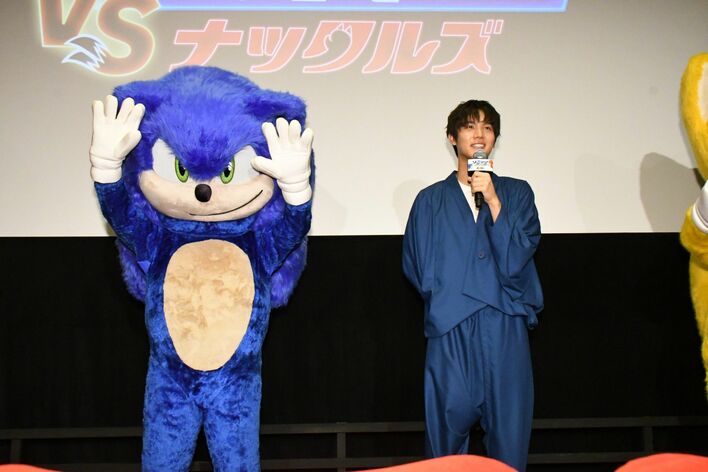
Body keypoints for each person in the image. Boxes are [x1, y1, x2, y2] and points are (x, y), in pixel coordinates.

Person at [402, 100, 543, 471]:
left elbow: (522, 252)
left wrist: (493, 200)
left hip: (504, 323)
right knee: (445, 443)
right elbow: (417, 263)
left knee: (510, 437)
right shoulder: (429, 200)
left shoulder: (517, 193)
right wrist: (448, 298)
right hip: (451, 326)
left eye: (487, 127)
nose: (479, 134)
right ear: (452, 137)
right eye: (469, 126)